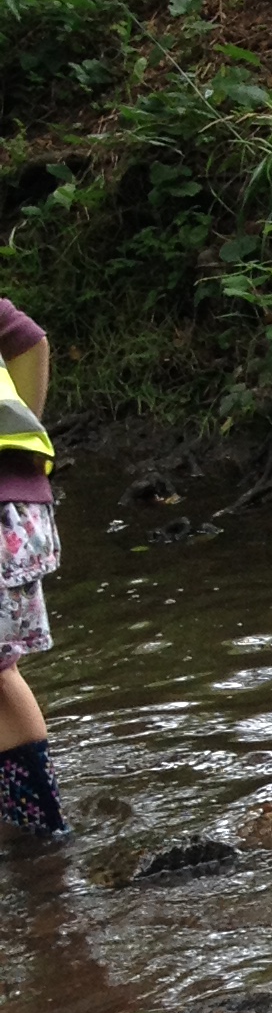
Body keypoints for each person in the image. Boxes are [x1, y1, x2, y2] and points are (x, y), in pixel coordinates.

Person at [0, 294, 67, 840]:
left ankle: (37, 836)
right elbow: (28, 338)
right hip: (18, 507)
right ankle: (35, 838)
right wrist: (21, 424)